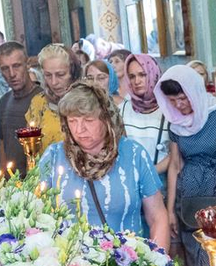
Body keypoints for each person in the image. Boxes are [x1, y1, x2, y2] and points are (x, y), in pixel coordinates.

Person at [39, 81, 168, 246]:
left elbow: (157, 217)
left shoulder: (134, 154)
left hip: (127, 264)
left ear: (107, 119)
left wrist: (158, 264)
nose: (79, 129)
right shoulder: (54, 156)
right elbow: (35, 214)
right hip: (70, 265)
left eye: (88, 120)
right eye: (72, 121)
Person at [154, 65, 216, 266]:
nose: (180, 105)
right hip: (188, 204)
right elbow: (175, 165)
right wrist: (171, 209)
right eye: (173, 100)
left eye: (183, 98)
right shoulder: (176, 120)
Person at [119, 53, 170, 178]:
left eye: (142, 75)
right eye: (132, 76)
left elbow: (176, 154)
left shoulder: (169, 109)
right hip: (131, 179)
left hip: (162, 179)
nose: (137, 81)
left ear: (153, 74)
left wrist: (150, 172)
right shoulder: (123, 110)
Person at [26, 44, 82, 155]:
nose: (54, 82)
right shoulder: (38, 103)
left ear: (73, 72)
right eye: (48, 75)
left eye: (60, 75)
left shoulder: (91, 101)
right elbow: (32, 152)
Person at [0, 41, 42, 174]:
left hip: (37, 182)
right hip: (12, 185)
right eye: (5, 68)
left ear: (27, 65)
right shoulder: (4, 102)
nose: (12, 74)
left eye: (16, 66)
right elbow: (3, 144)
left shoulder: (41, 99)